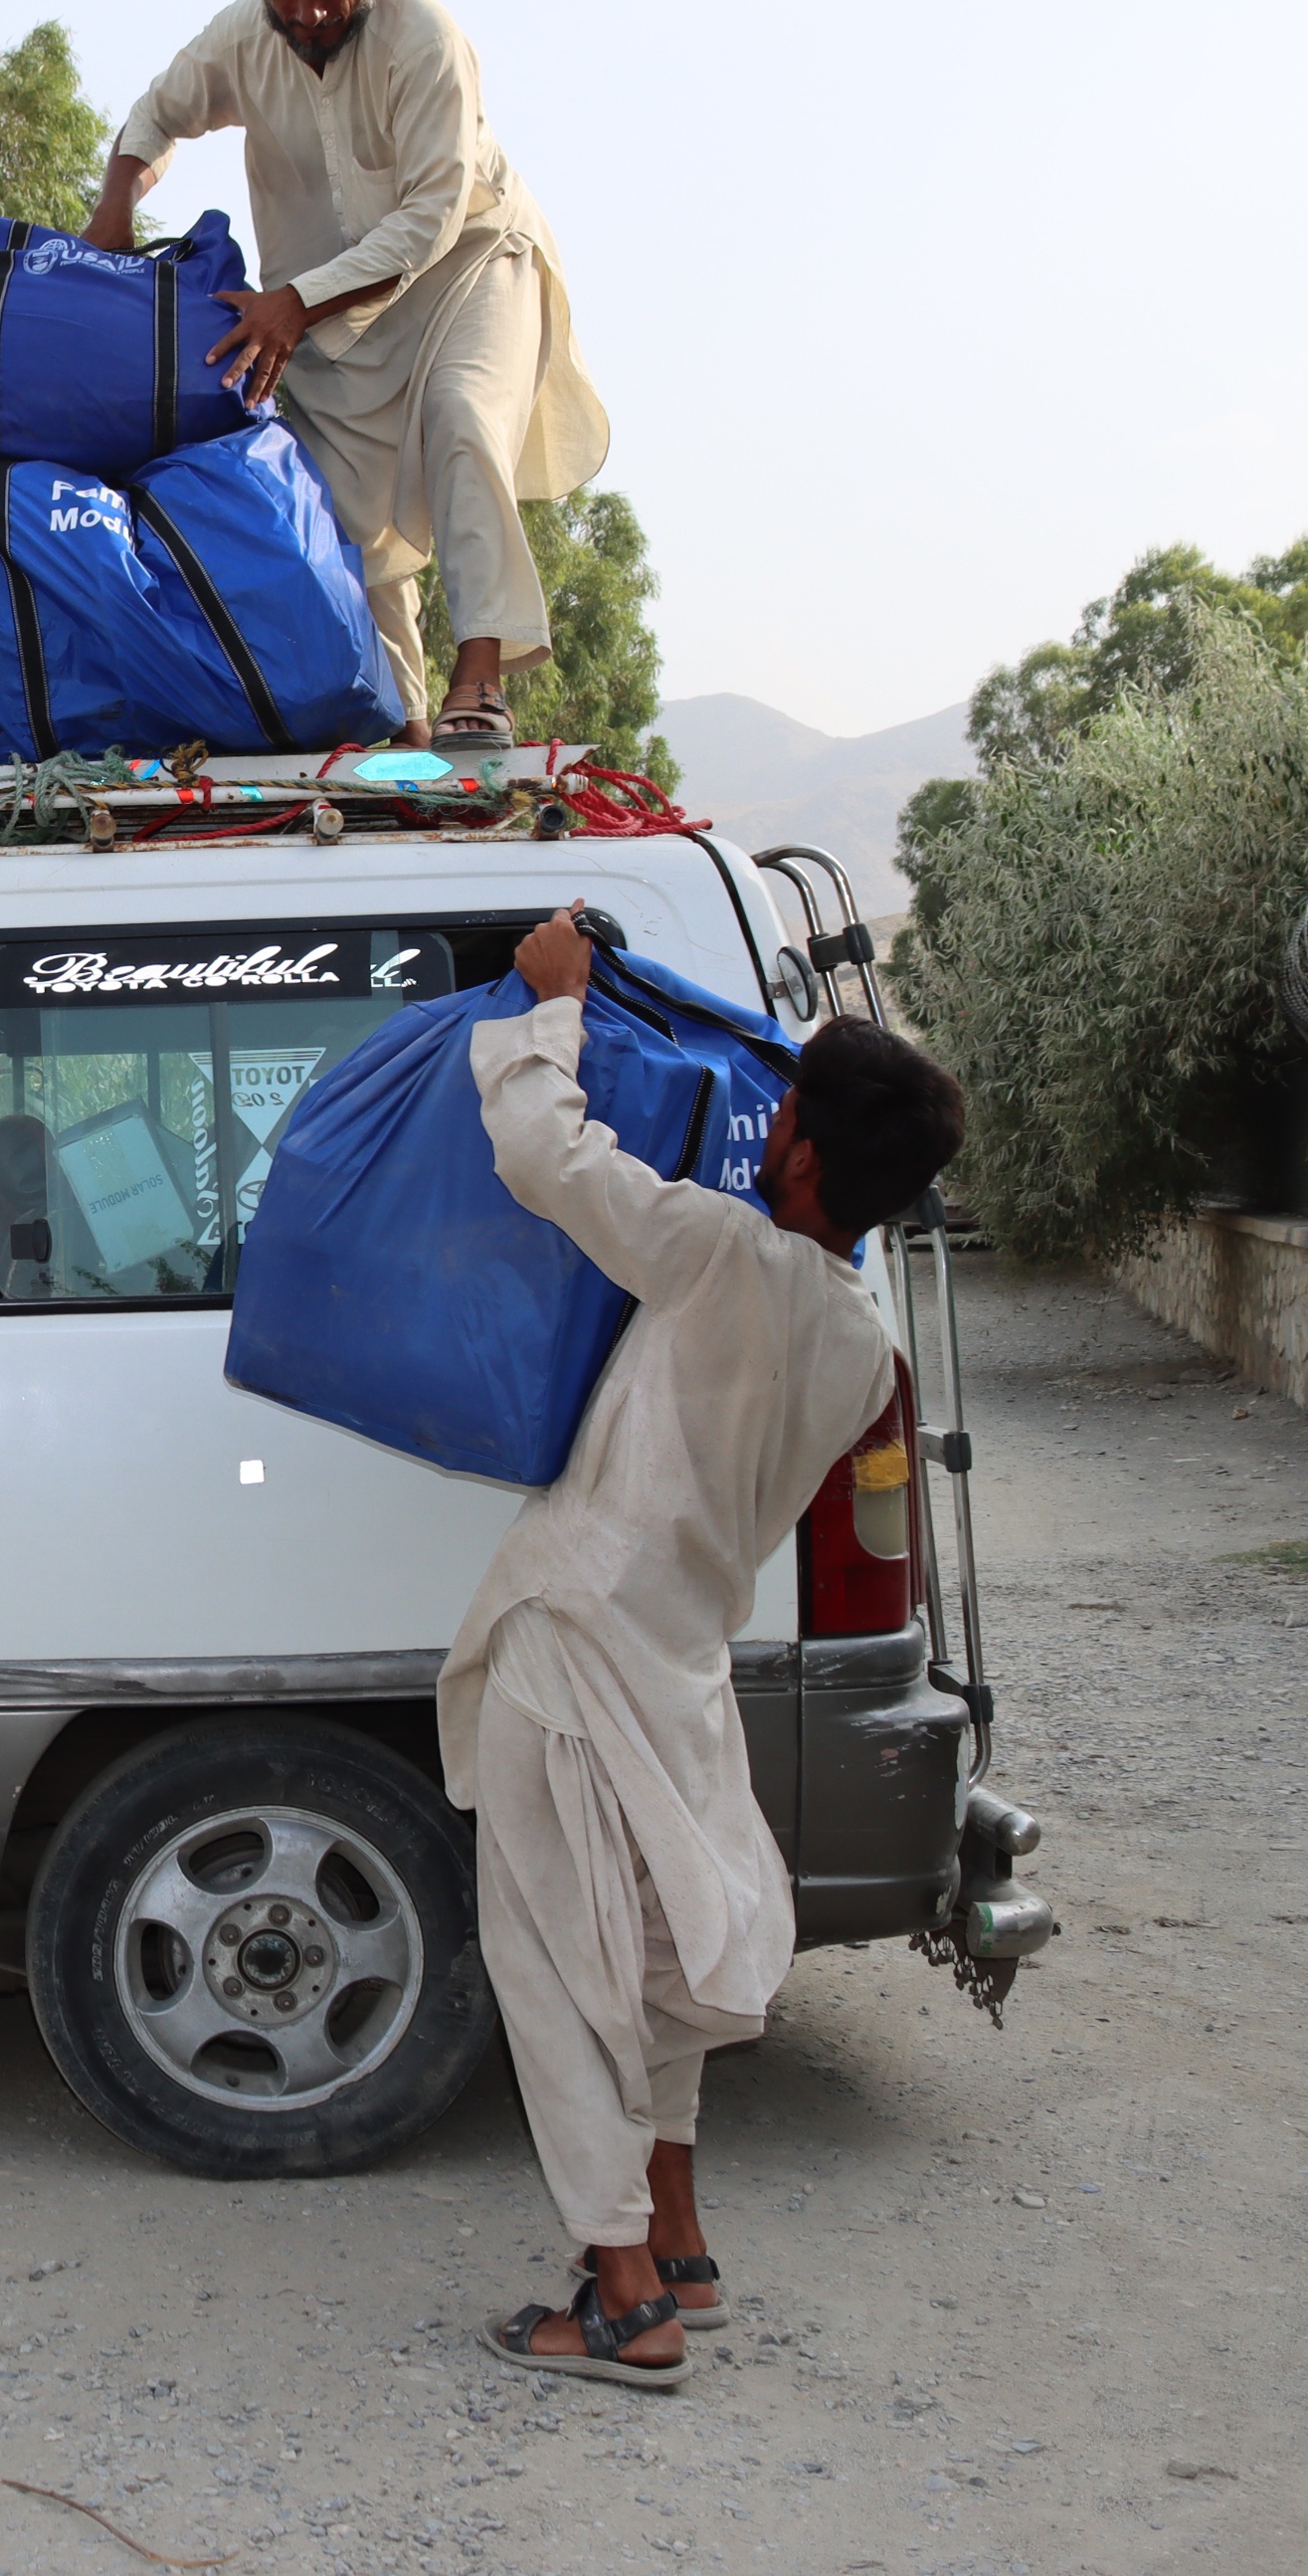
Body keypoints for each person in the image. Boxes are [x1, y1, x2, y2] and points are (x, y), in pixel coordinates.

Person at [455, 906, 964, 2388]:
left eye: (783, 1111)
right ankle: (674, 2228)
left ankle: (624, 2296)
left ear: (801, 1155)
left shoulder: (717, 1253)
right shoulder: (866, 1341)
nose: (764, 1128)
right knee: (660, 1948)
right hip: (679, 1652)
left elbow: (549, 1160)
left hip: (578, 1642)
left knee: (556, 1957)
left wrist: (551, 1007)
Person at [83, 0, 612, 747]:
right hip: (321, 310)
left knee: (461, 420)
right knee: (335, 514)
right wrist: (113, 212)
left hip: (469, 267)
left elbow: (430, 219)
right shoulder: (240, 37)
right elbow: (155, 117)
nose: (309, 11)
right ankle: (405, 729)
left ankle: (477, 686)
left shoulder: (428, 41)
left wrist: (293, 302)